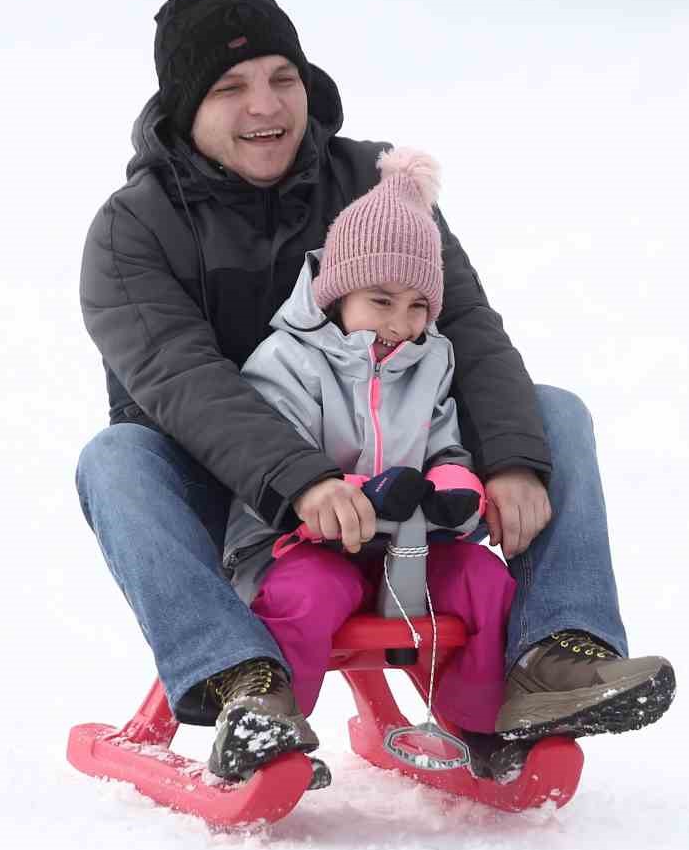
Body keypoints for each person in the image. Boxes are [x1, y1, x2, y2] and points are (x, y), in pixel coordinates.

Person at [75, 0, 673, 785]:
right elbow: (183, 382)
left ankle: (557, 656)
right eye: (231, 87)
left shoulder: (375, 187)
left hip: (410, 479)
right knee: (116, 459)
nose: (267, 106)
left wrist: (509, 462)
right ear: (187, 108)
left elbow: (468, 328)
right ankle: (249, 682)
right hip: (238, 505)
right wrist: (304, 481)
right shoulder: (132, 230)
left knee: (551, 417)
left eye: (283, 79)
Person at [213, 147, 517, 784]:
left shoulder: (432, 361)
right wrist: (359, 492)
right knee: (306, 597)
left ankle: (484, 727)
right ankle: (269, 728)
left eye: (417, 308)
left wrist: (453, 490)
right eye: (381, 301)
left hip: (407, 548)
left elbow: (446, 445)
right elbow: (277, 458)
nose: (400, 324)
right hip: (300, 543)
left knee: (485, 582)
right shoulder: (286, 361)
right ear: (338, 291)